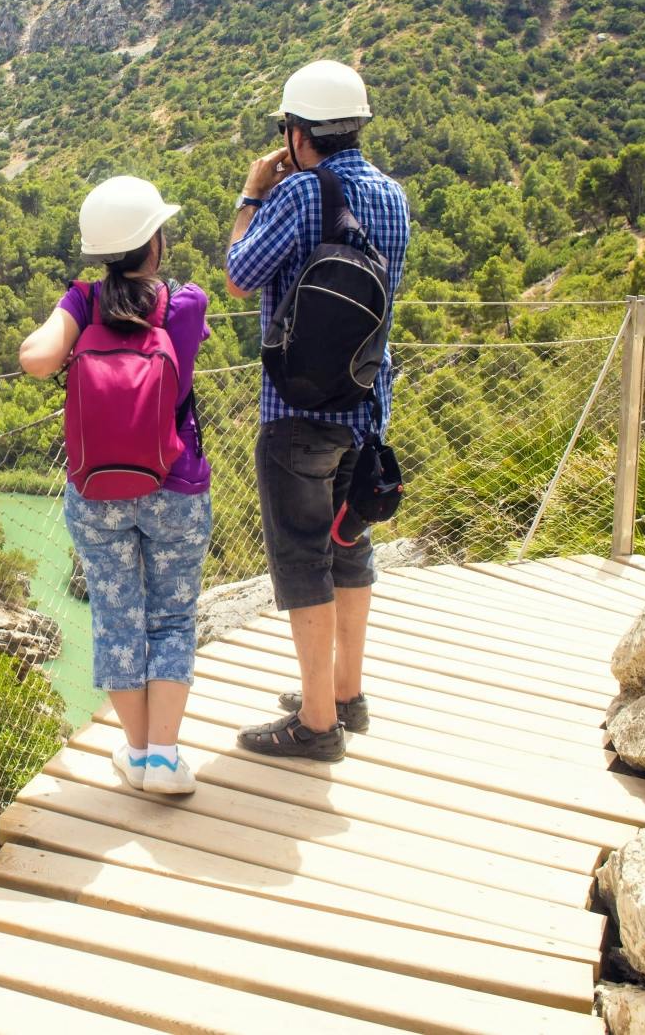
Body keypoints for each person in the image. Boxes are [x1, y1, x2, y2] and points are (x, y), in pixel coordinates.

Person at [224, 60, 410, 762]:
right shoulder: (394, 197)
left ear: (298, 134)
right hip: (368, 405)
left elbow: (240, 274)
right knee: (349, 543)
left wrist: (250, 194)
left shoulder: (297, 193)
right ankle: (346, 692)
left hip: (296, 410)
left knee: (302, 557)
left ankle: (316, 722)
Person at [19, 176, 213, 795]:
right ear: (153, 243)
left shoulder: (82, 300)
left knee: (117, 616)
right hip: (176, 483)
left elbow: (36, 360)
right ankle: (163, 756)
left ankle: (133, 753)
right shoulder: (187, 303)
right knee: (173, 617)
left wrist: (74, 316)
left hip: (96, 490)